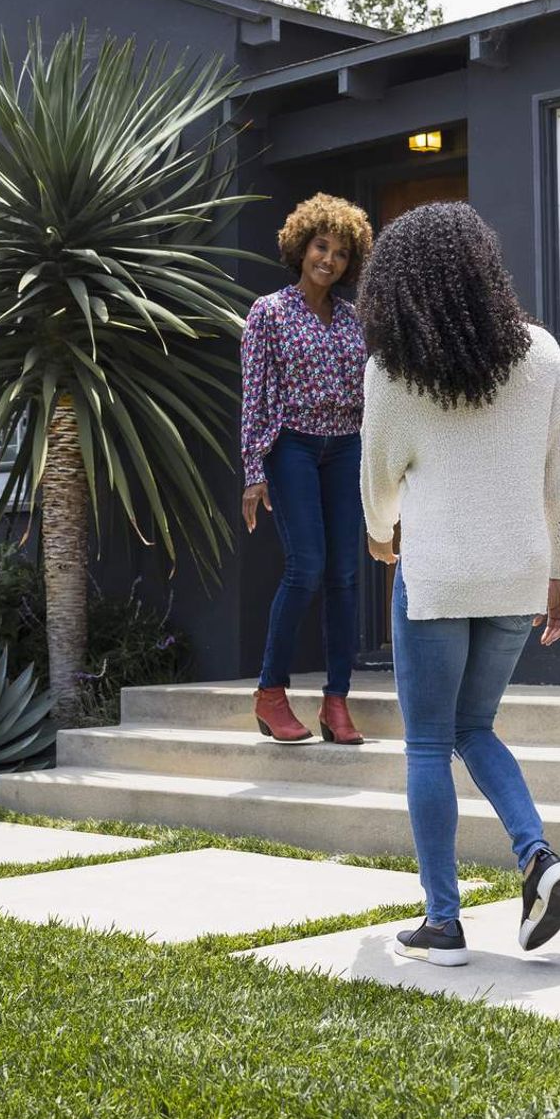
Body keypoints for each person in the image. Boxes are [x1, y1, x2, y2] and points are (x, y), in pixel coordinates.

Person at [358, 201, 560, 967]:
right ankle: (537, 854)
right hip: (518, 572)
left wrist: (382, 537)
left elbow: (377, 479)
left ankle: (443, 922)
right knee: (474, 727)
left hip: (439, 576)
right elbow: (559, 481)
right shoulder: (543, 353)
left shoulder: (393, 370)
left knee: (427, 741)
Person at [241, 193, 373, 745]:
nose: (330, 260)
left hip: (345, 446)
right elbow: (255, 392)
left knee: (346, 574)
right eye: (322, 246)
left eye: (342, 253)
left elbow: (370, 392)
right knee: (308, 567)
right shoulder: (269, 312)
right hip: (291, 444)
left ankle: (336, 702)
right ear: (302, 246)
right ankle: (271, 693)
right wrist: (254, 468)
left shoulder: (353, 317)